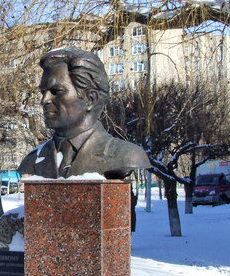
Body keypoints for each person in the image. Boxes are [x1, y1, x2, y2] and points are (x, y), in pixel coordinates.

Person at [17, 47, 150, 179]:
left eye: (56, 91)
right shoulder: (32, 160)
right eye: (43, 92)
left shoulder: (127, 155)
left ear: (90, 99)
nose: (44, 100)